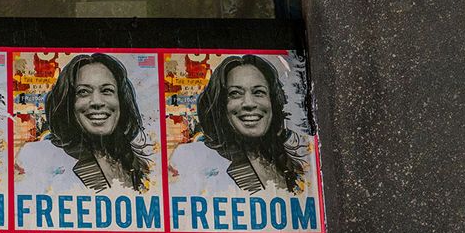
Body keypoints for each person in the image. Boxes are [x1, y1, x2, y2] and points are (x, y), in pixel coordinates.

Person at [169, 54, 311, 199]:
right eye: (235, 93)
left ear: (272, 102)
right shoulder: (192, 158)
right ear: (220, 105)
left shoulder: (293, 161)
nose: (249, 103)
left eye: (259, 92)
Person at [16, 53, 152, 195]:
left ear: (121, 100)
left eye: (107, 90)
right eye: (83, 92)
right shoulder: (38, 157)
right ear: (69, 103)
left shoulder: (141, 166)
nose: (97, 102)